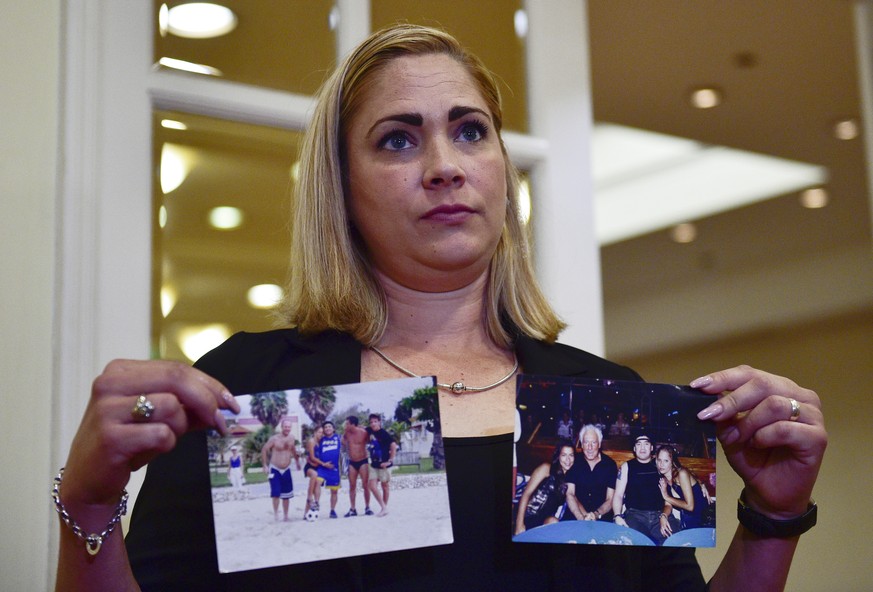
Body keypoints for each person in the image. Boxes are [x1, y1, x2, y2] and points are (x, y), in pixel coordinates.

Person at [55, 24, 827, 592]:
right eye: (397, 140)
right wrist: (90, 503)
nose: (444, 167)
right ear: (343, 191)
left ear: (501, 170)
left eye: (470, 131)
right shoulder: (245, 391)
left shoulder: (605, 398)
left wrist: (772, 513)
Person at [612, 434, 676, 544]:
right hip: (635, 516)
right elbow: (618, 495)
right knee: (636, 541)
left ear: (651, 448)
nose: (642, 448)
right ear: (634, 448)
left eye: (646, 444)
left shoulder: (660, 464)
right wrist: (617, 515)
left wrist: (701, 483)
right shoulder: (627, 467)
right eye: (639, 444)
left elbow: (680, 473)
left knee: (674, 540)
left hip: (659, 515)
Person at [514, 444, 574, 535]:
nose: (568, 460)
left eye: (571, 455)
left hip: (542, 521)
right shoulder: (546, 468)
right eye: (564, 455)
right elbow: (526, 494)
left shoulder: (569, 480)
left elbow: (573, 499)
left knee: (554, 522)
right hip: (525, 516)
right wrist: (519, 524)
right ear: (558, 456)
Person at [562, 425, 616, 522]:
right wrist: (581, 517)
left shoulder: (610, 465)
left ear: (599, 444)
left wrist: (596, 514)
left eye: (593, 442)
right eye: (586, 442)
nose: (590, 447)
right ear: (582, 445)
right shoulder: (574, 461)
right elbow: (570, 494)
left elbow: (610, 499)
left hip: (601, 517)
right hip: (575, 514)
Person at [655, 444, 712, 531]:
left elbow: (690, 506)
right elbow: (668, 504)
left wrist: (666, 496)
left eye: (666, 461)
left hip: (705, 520)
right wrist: (663, 516)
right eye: (659, 460)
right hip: (688, 520)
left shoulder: (681, 474)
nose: (661, 464)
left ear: (672, 462)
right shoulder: (663, 479)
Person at [260, 418, 301, 522]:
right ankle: (276, 514)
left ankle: (286, 516)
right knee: (276, 493)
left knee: (286, 495)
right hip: (275, 468)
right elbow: (264, 449)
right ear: (282, 427)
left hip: (286, 469)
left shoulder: (292, 438)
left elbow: (293, 450)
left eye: (289, 427)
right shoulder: (274, 439)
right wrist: (264, 465)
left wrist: (297, 461)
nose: (287, 428)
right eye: (285, 426)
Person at [342, 415, 373, 517]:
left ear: (352, 424)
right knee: (352, 486)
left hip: (363, 461)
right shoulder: (347, 433)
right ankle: (352, 509)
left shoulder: (363, 432)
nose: (345, 425)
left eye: (347, 423)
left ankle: (367, 507)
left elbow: (372, 441)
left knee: (365, 485)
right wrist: (344, 433)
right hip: (352, 462)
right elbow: (342, 443)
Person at [366, 414, 397, 517]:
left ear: (379, 422)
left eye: (375, 421)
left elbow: (393, 445)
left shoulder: (384, 434)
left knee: (385, 486)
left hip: (384, 464)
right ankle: (384, 507)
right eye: (371, 422)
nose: (373, 424)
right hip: (374, 464)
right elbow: (361, 428)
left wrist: (390, 460)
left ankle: (384, 508)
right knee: (372, 486)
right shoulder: (369, 431)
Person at [316, 421, 342, 519]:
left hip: (334, 469)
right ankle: (316, 504)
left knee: (334, 492)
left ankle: (332, 510)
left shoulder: (339, 438)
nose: (327, 428)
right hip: (323, 467)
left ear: (333, 428)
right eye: (325, 427)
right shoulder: (321, 440)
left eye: (329, 426)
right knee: (317, 483)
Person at [302, 424, 324, 518]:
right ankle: (309, 497)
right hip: (310, 467)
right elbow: (312, 457)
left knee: (317, 484)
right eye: (319, 432)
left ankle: (313, 506)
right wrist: (323, 463)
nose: (321, 434)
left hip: (319, 467)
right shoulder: (312, 441)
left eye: (322, 433)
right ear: (315, 432)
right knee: (314, 475)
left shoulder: (322, 442)